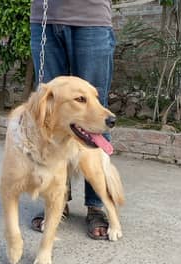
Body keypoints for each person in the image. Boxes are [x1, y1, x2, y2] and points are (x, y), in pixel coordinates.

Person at [30, 0, 116, 240]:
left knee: (95, 114)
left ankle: (97, 205)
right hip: (44, 18)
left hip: (91, 18)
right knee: (49, 117)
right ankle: (56, 199)